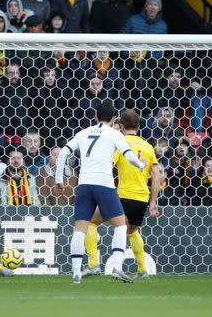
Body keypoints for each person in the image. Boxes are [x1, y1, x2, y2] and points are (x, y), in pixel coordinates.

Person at [53, 101, 147, 284]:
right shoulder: (114, 134)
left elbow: (63, 152)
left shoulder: (84, 132)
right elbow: (129, 156)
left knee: (80, 229)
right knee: (120, 225)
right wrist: (141, 165)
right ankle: (118, 268)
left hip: (84, 185)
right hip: (104, 184)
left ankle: (76, 274)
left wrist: (59, 180)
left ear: (95, 117)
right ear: (114, 119)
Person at [83, 109, 162, 278]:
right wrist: (153, 202)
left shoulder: (119, 142)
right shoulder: (148, 147)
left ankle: (93, 264)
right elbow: (156, 175)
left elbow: (106, 165)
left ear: (121, 125)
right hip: (141, 198)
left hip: (121, 196)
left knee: (90, 222)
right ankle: (142, 270)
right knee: (132, 232)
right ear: (139, 126)